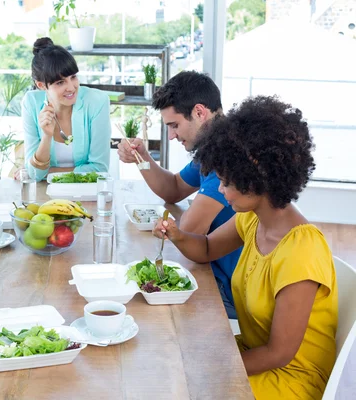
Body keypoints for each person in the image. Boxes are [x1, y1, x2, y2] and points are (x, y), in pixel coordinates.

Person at [154, 96, 337, 400]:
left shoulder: (302, 252)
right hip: (254, 356)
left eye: (226, 182)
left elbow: (279, 354)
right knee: (168, 355)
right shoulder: (251, 220)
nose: (221, 190)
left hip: (290, 380)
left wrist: (208, 365)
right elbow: (208, 248)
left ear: (257, 175)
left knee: (181, 383)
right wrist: (177, 234)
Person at [118, 71, 241, 319]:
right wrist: (142, 158)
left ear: (199, 112)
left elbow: (189, 230)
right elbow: (173, 189)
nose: (172, 135)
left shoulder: (229, 158)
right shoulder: (215, 145)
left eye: (174, 125)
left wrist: (181, 222)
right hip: (210, 268)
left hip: (228, 292)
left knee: (136, 308)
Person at [22, 37, 111, 181]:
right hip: (46, 194)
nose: (71, 87)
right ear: (41, 85)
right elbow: (35, 174)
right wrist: (46, 136)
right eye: (60, 82)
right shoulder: (31, 103)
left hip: (87, 191)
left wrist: (50, 173)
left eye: (73, 77)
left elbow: (99, 169)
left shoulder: (97, 101)